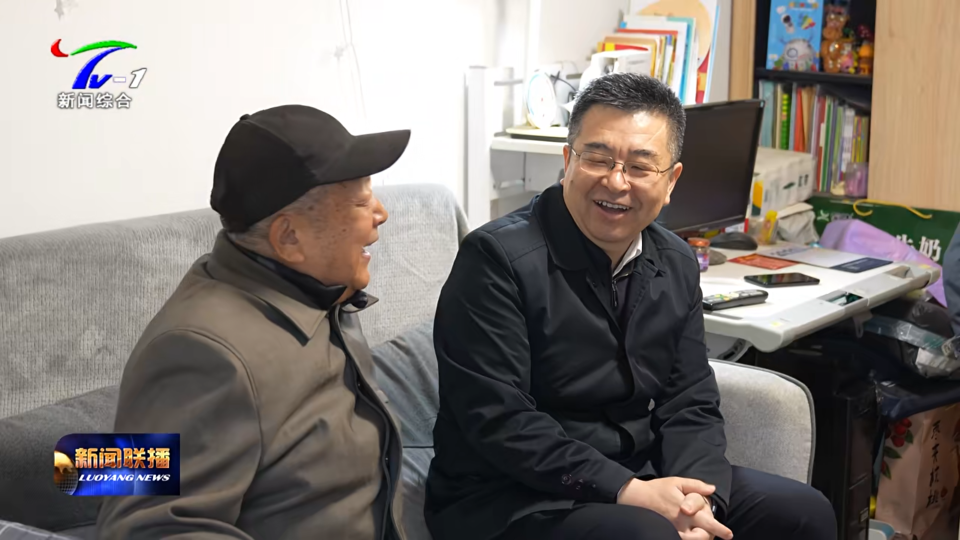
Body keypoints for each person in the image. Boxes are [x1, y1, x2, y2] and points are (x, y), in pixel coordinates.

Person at [424, 73, 837, 540]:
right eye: (597, 158)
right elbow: (500, 420)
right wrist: (628, 491)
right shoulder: (496, 259)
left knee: (803, 513)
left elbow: (690, 400)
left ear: (671, 180)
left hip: (637, 474)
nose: (616, 181)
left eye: (640, 166)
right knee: (647, 534)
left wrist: (699, 501)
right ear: (568, 160)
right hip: (512, 496)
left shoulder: (674, 260)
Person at [97, 105, 411, 539]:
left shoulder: (318, 291)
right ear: (289, 237)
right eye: (360, 202)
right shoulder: (197, 353)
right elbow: (145, 529)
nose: (381, 214)